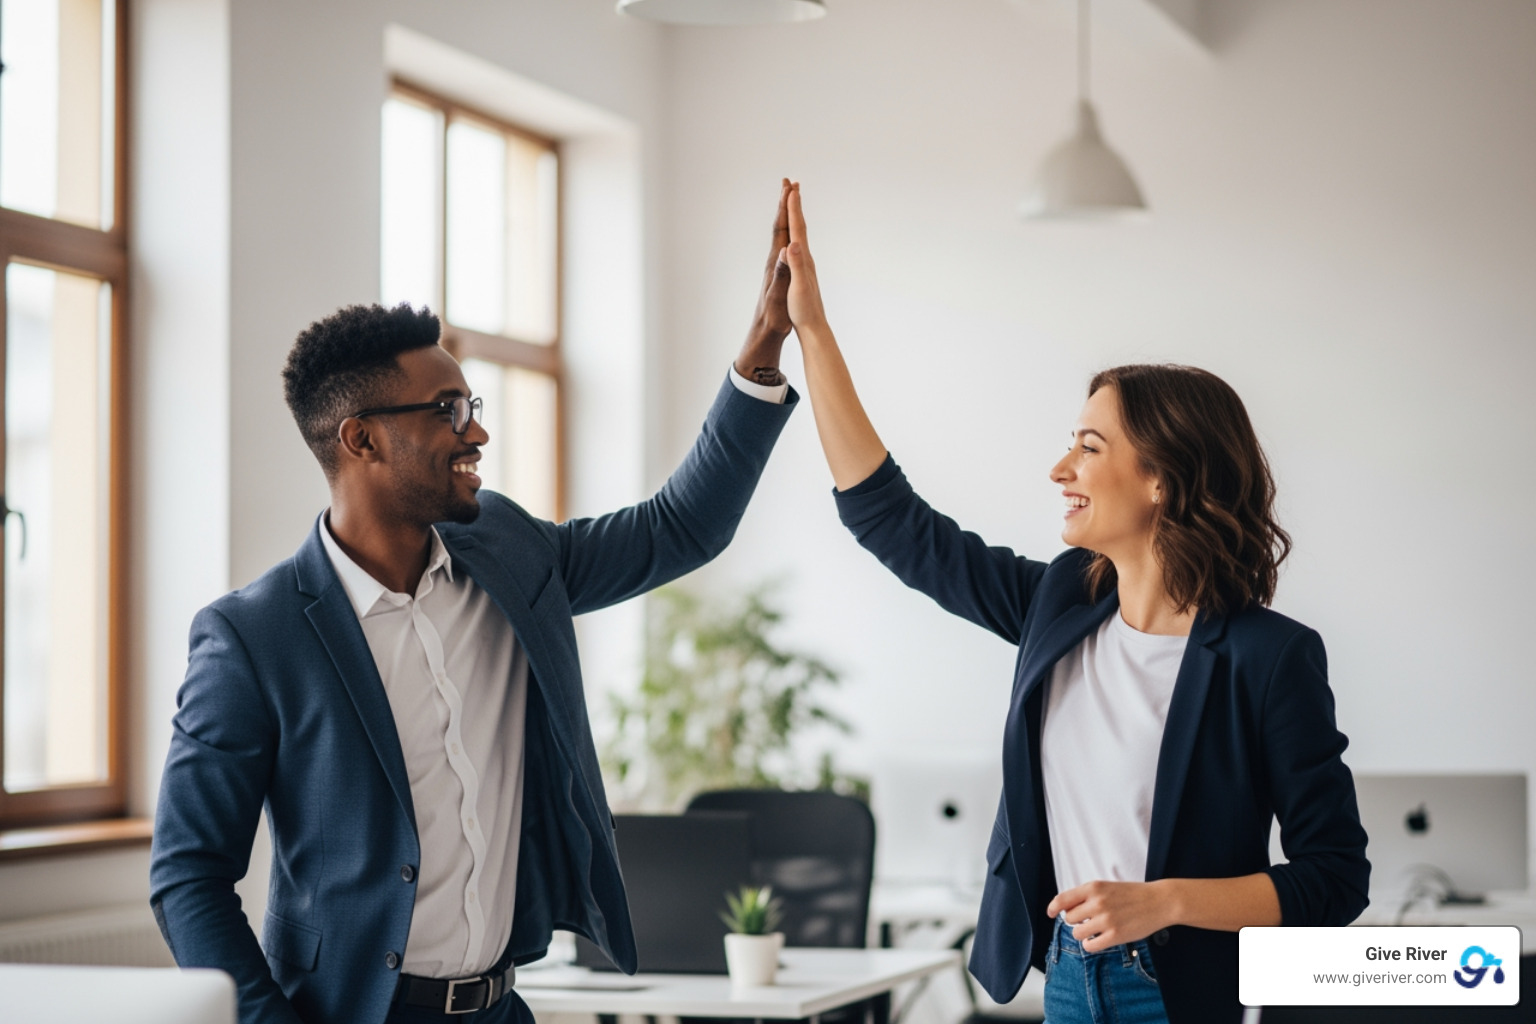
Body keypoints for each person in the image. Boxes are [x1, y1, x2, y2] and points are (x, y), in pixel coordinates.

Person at [150, 184, 801, 1024]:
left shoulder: (510, 552)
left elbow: (679, 528)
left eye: (473, 407)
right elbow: (188, 873)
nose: (477, 432)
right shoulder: (253, 637)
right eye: (448, 410)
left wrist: (764, 345)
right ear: (362, 438)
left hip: (500, 1008)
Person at [777, 184, 1368, 1024]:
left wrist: (1164, 901)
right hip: (1065, 980)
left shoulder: (1270, 658)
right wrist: (813, 331)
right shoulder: (1060, 601)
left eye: (1089, 448)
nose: (1061, 470)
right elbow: (894, 523)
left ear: (1161, 481)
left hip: (1176, 996)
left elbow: (1335, 876)